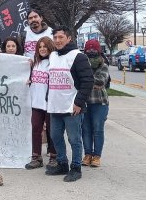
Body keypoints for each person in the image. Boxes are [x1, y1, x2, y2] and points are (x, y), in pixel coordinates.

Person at [45, 26, 94, 182]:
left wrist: (79, 102)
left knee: (74, 139)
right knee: (55, 136)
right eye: (55, 38)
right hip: (55, 106)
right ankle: (62, 163)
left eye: (61, 37)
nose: (57, 40)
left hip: (72, 107)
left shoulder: (78, 56)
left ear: (69, 38)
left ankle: (76, 167)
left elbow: (88, 81)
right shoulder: (52, 55)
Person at [25, 36, 57, 170]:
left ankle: (54, 156)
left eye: (45, 46)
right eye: (40, 47)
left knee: (52, 130)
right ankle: (36, 156)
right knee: (36, 129)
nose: (42, 49)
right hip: (36, 103)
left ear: (50, 47)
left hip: (50, 103)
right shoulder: (35, 63)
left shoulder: (54, 63)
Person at [81, 39, 110, 168]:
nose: (91, 51)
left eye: (94, 49)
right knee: (85, 129)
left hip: (100, 102)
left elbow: (101, 81)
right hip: (84, 101)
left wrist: (86, 78)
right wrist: (90, 80)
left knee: (97, 129)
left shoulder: (104, 64)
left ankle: (97, 156)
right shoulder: (80, 62)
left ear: (99, 50)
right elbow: (76, 78)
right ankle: (87, 154)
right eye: (88, 49)